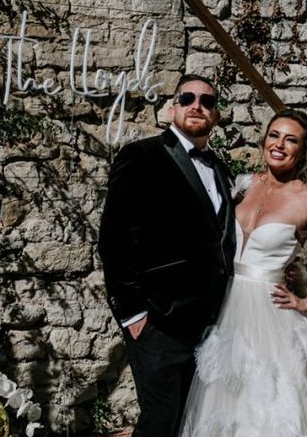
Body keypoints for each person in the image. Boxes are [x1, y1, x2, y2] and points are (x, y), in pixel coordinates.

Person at [180, 108, 307, 437]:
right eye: (274, 135)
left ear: (304, 150)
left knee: (270, 406)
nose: (280, 145)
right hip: (225, 304)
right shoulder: (242, 186)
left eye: (291, 140)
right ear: (263, 140)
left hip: (270, 313)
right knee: (224, 400)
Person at [98, 74, 236, 437]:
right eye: (188, 97)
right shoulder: (141, 156)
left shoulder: (220, 169)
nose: (197, 105)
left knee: (189, 423)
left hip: (208, 324)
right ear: (172, 108)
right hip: (158, 321)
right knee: (159, 423)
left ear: (216, 116)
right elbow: (114, 238)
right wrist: (132, 313)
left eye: (207, 101)